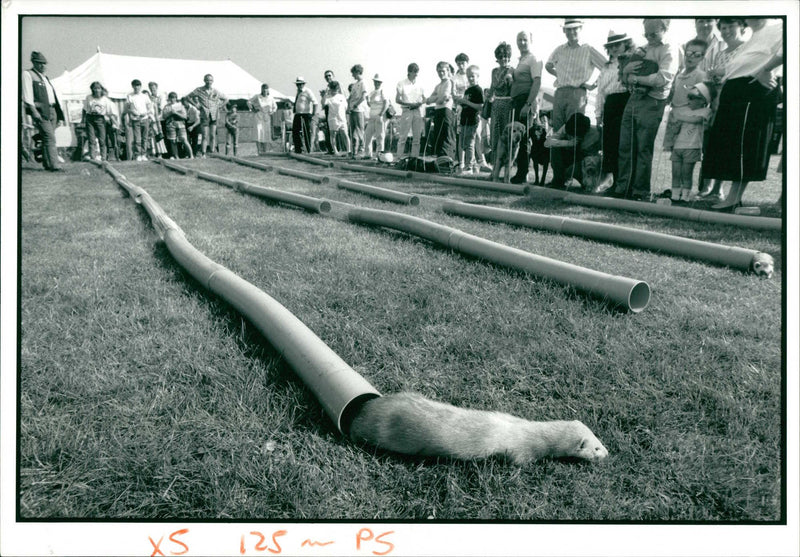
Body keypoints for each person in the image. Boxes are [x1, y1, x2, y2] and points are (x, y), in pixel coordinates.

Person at [702, 18, 783, 211]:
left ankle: (733, 198)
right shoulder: (753, 38)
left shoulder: (779, 27)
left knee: (745, 143)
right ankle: (731, 197)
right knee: (730, 143)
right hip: (735, 91)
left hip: (753, 89)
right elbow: (741, 66)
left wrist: (766, 69)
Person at [607, 18, 678, 200]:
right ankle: (623, 188)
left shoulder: (669, 49)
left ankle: (640, 191)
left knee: (643, 149)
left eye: (653, 33)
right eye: (646, 34)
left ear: (665, 28)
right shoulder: (642, 49)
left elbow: (663, 78)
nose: (649, 37)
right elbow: (623, 76)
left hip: (653, 101)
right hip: (634, 99)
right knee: (625, 146)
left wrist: (635, 78)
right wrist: (625, 71)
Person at [700, 18, 747, 200]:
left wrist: (721, 74)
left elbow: (740, 73)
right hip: (719, 102)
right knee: (716, 145)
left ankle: (722, 190)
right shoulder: (720, 54)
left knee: (730, 146)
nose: (726, 30)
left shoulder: (746, 48)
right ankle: (711, 188)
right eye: (723, 27)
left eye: (731, 26)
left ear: (742, 26)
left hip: (737, 103)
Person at [545, 19, 606, 138]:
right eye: (568, 29)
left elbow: (607, 67)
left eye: (575, 29)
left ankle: (573, 157)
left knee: (574, 131)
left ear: (580, 29)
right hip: (560, 93)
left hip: (577, 94)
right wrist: (559, 75)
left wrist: (593, 85)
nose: (571, 32)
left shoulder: (588, 49)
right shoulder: (559, 49)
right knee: (558, 131)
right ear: (564, 30)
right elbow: (548, 65)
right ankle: (559, 157)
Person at [595, 31, 634, 190]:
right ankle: (613, 182)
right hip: (610, 104)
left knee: (623, 145)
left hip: (625, 101)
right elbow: (600, 92)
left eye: (618, 45)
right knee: (609, 146)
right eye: (611, 46)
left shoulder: (632, 62)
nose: (615, 49)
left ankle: (625, 183)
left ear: (626, 44)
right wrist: (598, 114)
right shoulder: (605, 67)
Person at [661, 83, 713, 203]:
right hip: (678, 146)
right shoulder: (684, 111)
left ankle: (685, 196)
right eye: (688, 97)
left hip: (692, 147)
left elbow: (697, 120)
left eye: (692, 97)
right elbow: (676, 129)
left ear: (703, 100)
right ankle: (674, 195)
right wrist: (674, 124)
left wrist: (680, 117)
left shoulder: (706, 111)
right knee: (676, 172)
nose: (688, 100)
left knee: (686, 173)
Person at [661, 38, 708, 165]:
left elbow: (702, 99)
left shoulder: (700, 75)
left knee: (686, 156)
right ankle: (676, 185)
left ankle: (685, 185)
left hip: (688, 121)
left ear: (703, 57)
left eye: (696, 55)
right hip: (674, 117)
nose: (691, 57)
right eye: (688, 53)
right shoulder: (679, 75)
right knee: (675, 157)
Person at [21, 51, 65, 171]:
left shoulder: (45, 77)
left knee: (47, 138)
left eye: (44, 63)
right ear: (34, 63)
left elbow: (53, 96)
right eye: (39, 63)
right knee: (50, 137)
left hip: (52, 109)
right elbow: (27, 94)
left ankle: (47, 163)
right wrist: (33, 110)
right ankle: (55, 165)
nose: (42, 66)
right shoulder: (28, 74)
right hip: (41, 111)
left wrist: (59, 115)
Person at [509, 30, 543, 184]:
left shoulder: (533, 59)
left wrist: (528, 104)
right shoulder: (520, 60)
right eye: (519, 40)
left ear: (530, 41)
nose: (521, 43)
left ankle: (523, 173)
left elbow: (537, 82)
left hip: (525, 100)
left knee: (523, 139)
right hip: (516, 101)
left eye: (524, 40)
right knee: (516, 138)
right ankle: (520, 171)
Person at [546, 112, 602, 190]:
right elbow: (547, 143)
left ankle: (588, 182)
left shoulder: (597, 132)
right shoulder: (566, 128)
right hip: (570, 158)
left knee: (590, 161)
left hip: (586, 163)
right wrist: (568, 143)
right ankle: (558, 180)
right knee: (555, 148)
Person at [488, 41, 515, 177]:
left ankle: (507, 173)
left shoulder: (511, 71)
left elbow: (510, 87)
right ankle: (494, 170)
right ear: (497, 58)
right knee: (495, 137)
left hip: (507, 105)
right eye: (502, 56)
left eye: (507, 56)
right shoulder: (494, 71)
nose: (505, 59)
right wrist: (487, 97)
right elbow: (492, 88)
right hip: (495, 105)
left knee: (507, 138)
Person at [189, 74, 228, 157]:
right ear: (204, 80)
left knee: (213, 135)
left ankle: (212, 151)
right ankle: (203, 153)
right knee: (204, 135)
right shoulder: (199, 90)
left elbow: (226, 99)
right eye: (207, 80)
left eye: (210, 80)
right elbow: (188, 97)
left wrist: (220, 106)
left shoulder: (215, 91)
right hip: (204, 115)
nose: (209, 82)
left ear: (212, 81)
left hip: (214, 115)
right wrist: (196, 105)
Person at [456, 65, 485, 175]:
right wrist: (461, 102)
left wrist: (466, 102)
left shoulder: (478, 90)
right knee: (463, 144)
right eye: (469, 77)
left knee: (469, 144)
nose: (470, 79)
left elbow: (480, 106)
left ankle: (469, 167)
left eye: (473, 76)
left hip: (472, 120)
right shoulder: (468, 90)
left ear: (477, 77)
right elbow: (465, 105)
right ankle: (474, 165)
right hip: (464, 120)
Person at [394, 63, 426, 159]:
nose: (416, 74)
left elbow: (425, 98)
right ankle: (399, 158)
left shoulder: (420, 85)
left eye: (417, 72)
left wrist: (420, 103)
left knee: (417, 137)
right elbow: (397, 99)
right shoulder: (401, 83)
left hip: (417, 111)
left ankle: (414, 159)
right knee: (403, 136)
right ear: (409, 72)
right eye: (414, 72)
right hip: (406, 111)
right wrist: (410, 104)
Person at [425, 61, 456, 159]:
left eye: (443, 71)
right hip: (438, 111)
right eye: (439, 71)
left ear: (448, 71)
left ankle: (448, 158)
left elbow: (444, 98)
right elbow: (428, 100)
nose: (441, 73)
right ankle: (440, 159)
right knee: (438, 135)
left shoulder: (449, 82)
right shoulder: (438, 86)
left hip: (446, 111)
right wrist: (437, 99)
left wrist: (436, 99)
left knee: (446, 135)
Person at [81, 81, 117, 162]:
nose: (97, 90)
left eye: (98, 88)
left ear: (101, 89)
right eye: (95, 88)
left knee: (102, 139)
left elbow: (110, 112)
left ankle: (103, 158)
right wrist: (83, 120)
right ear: (92, 89)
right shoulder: (89, 97)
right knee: (91, 139)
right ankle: (92, 158)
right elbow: (84, 109)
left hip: (100, 119)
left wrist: (114, 123)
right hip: (90, 118)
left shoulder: (105, 99)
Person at [125, 79, 153, 162]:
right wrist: (134, 113)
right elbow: (129, 107)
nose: (136, 87)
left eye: (138, 85)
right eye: (135, 85)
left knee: (145, 138)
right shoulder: (129, 96)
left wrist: (146, 113)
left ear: (140, 86)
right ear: (132, 86)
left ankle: (143, 154)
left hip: (145, 119)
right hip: (135, 119)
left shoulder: (145, 96)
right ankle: (138, 155)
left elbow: (150, 107)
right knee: (137, 138)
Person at [364, 74, 389, 159]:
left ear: (380, 83)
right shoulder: (372, 92)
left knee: (380, 136)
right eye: (375, 82)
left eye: (378, 82)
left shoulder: (383, 91)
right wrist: (367, 100)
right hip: (372, 116)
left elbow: (386, 103)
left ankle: (379, 155)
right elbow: (370, 105)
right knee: (367, 135)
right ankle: (368, 154)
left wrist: (381, 114)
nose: (377, 83)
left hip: (379, 116)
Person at [249, 83, 278, 155]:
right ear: (261, 90)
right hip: (259, 117)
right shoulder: (257, 96)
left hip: (266, 117)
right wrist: (253, 109)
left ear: (268, 90)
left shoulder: (271, 98)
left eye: (266, 90)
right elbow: (249, 102)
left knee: (266, 133)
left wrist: (272, 112)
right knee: (259, 133)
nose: (265, 91)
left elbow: (275, 107)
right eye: (263, 90)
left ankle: (264, 152)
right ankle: (259, 151)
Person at [163, 92, 193, 159]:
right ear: (169, 98)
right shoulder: (166, 107)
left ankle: (191, 155)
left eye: (174, 97)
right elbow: (164, 116)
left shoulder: (181, 106)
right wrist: (170, 113)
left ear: (176, 98)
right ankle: (176, 156)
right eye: (171, 97)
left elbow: (185, 117)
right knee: (173, 141)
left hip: (180, 125)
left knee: (184, 140)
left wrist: (176, 113)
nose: (172, 99)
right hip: (170, 124)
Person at [292, 76, 318, 154]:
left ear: (303, 84)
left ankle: (309, 149)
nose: (299, 86)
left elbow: (315, 102)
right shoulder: (298, 92)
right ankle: (298, 149)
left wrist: (313, 114)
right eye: (298, 84)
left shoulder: (308, 91)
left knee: (306, 132)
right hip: (298, 114)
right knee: (295, 131)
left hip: (306, 114)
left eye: (300, 84)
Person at [324, 80, 350, 155]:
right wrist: (325, 94)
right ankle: (335, 151)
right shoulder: (328, 97)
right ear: (330, 89)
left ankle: (349, 150)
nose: (334, 90)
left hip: (342, 118)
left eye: (335, 88)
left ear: (338, 88)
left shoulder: (342, 96)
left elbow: (345, 107)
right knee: (333, 135)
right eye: (332, 88)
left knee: (345, 134)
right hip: (333, 118)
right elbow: (323, 103)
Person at [348, 64, 368, 157]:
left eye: (353, 73)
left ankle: (362, 150)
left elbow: (363, 97)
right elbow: (350, 97)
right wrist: (349, 107)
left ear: (358, 72)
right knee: (353, 131)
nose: (352, 75)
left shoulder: (363, 83)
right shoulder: (355, 84)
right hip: (352, 110)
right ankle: (354, 151)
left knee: (360, 130)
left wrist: (355, 105)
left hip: (359, 110)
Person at [320, 70, 336, 153]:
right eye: (326, 76)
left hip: (336, 108)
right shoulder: (327, 88)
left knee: (339, 129)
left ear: (333, 76)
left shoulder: (337, 85)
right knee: (329, 129)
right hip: (328, 108)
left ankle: (340, 148)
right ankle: (330, 149)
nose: (328, 77)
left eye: (329, 75)